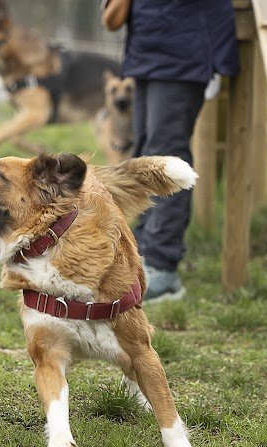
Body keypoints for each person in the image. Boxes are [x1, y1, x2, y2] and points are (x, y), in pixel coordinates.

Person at [103, 0, 239, 302]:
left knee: (166, 155)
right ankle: (140, 251)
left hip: (184, 52)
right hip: (145, 52)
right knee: (143, 156)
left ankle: (162, 266)